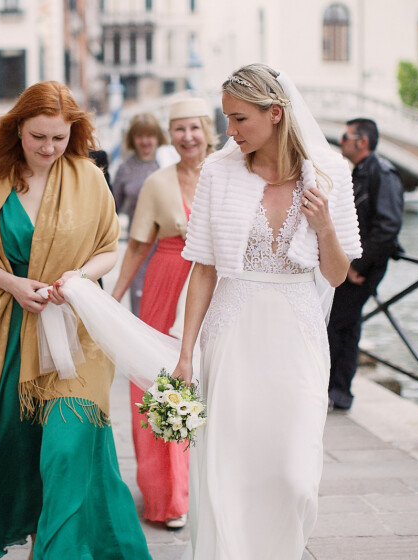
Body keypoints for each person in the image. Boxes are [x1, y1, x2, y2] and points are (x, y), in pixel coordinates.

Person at [0, 80, 151, 560]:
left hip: (78, 334)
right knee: (13, 452)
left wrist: (77, 277)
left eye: (59, 138)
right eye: (38, 136)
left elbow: (107, 251)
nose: (48, 148)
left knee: (65, 450)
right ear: (18, 128)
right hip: (10, 334)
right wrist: (13, 284)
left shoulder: (89, 177)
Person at [172, 64, 362, 559]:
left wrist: (323, 227)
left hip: (297, 333)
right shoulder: (219, 172)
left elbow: (338, 276)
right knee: (229, 474)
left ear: (275, 114)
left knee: (296, 477)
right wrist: (186, 353)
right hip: (233, 332)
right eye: (226, 120)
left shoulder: (330, 173)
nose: (229, 132)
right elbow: (204, 270)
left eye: (239, 120)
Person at [110, 99, 216, 530]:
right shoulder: (156, 183)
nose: (187, 137)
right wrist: (114, 297)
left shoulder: (231, 172)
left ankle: (213, 487)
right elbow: (137, 245)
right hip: (165, 282)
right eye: (179, 129)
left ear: (208, 130)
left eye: (194, 128)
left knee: (215, 381)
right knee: (159, 385)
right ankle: (167, 495)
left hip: (220, 285)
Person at [328, 118, 404, 410]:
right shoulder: (361, 171)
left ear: (361, 141)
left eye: (345, 137)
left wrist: (356, 266)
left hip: (362, 269)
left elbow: (387, 227)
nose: (341, 141)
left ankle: (337, 390)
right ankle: (339, 392)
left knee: (337, 325)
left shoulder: (382, 173)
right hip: (352, 266)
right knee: (346, 326)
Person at [110, 112, 168, 314]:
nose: (145, 141)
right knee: (140, 306)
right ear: (133, 139)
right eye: (140, 136)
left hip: (166, 247)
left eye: (150, 135)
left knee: (165, 305)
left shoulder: (167, 163)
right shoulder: (124, 169)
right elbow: (112, 209)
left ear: (158, 137)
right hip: (138, 245)